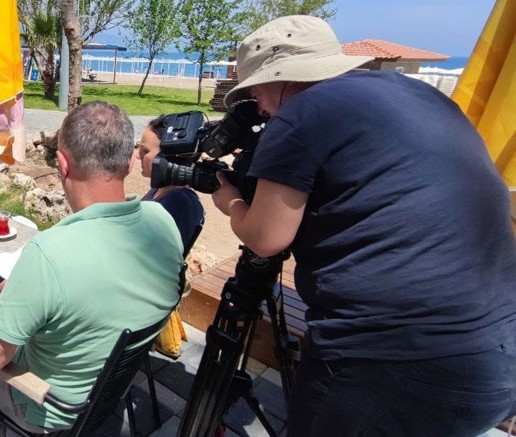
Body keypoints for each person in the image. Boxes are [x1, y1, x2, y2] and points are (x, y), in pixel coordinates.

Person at [212, 15, 516, 437]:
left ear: (280, 76)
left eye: (256, 90)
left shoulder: (300, 115)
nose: (258, 105)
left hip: (395, 361)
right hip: (499, 352)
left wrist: (231, 201)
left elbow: (266, 239)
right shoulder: (418, 94)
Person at [0, 101, 184, 436]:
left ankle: (1, 429)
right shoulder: (163, 221)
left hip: (48, 405)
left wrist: (12, 295)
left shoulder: (48, 254)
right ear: (130, 163)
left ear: (62, 165)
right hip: (107, 389)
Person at [136, 115, 206, 256]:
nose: (138, 155)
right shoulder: (162, 188)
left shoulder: (179, 202)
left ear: (168, 158)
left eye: (146, 150)